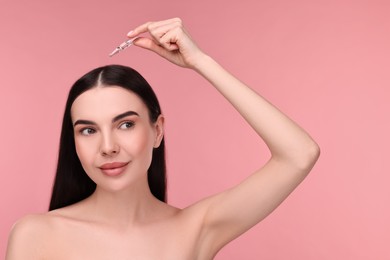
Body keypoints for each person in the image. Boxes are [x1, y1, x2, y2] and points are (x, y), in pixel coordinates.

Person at [6, 18, 320, 259]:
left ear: (157, 130)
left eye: (125, 124)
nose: (108, 147)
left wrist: (201, 62)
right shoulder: (37, 235)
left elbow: (299, 153)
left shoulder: (195, 229)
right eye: (88, 130)